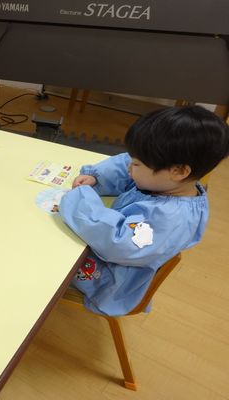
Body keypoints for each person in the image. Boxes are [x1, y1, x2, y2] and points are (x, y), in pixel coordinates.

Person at [58, 105, 229, 316]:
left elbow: (115, 241)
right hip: (104, 252)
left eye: (137, 164)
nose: (130, 168)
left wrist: (80, 200)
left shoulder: (170, 218)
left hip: (108, 282)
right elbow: (124, 163)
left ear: (178, 171)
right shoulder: (167, 182)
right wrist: (97, 177)